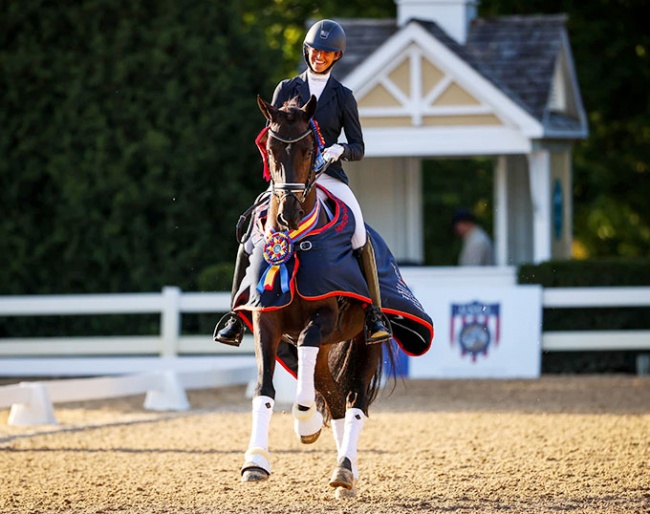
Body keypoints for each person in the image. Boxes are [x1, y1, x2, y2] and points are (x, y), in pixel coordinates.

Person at [214, 19, 392, 347]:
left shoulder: (343, 96)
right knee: (249, 237)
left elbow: (359, 147)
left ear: (336, 56)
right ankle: (232, 318)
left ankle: (374, 315)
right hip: (289, 180)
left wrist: (339, 150)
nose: (319, 57)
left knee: (359, 233)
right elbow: (275, 135)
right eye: (315, 51)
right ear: (306, 51)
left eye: (327, 53)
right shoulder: (286, 89)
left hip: (328, 176)